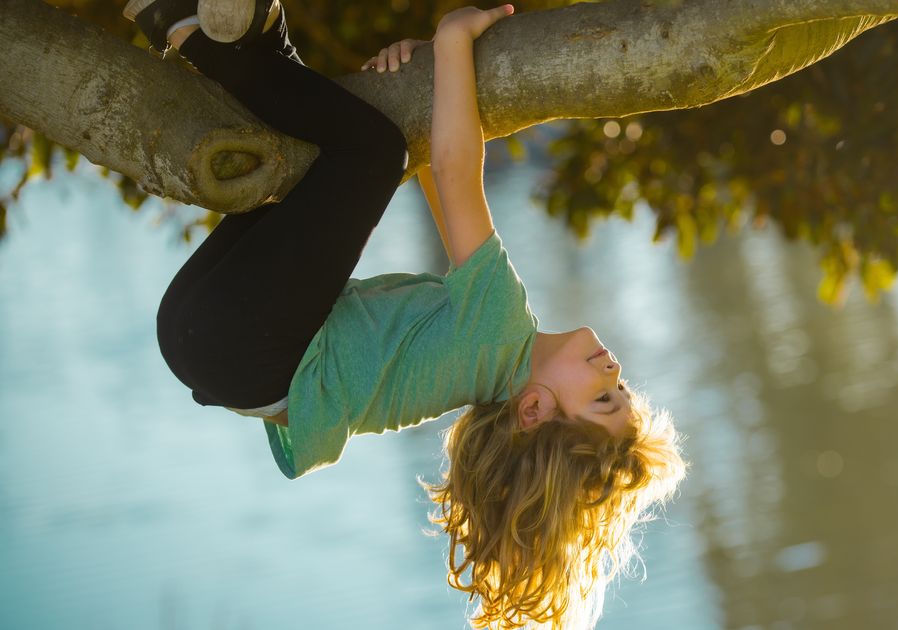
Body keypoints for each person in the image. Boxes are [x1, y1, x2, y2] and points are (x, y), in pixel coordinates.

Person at [131, 0, 687, 627]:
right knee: (321, 158)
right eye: (624, 389)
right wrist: (423, 77)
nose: (614, 370)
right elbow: (433, 161)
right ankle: (257, 39)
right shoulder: (482, 360)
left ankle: (181, 31)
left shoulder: (500, 332)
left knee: (370, 152)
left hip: (246, 344)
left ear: (533, 410)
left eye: (603, 397)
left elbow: (453, 172)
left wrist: (452, 40)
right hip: (208, 343)